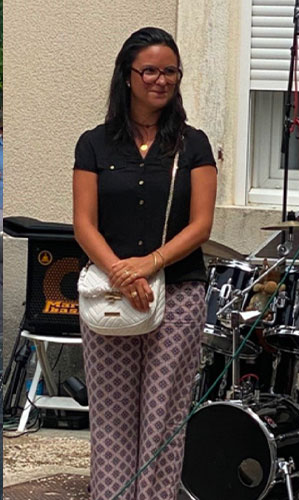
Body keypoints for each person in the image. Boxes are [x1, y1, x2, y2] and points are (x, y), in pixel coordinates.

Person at [72, 27, 217, 500]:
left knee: (164, 420)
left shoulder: (193, 144)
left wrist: (148, 265)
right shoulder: (93, 144)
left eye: (170, 71)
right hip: (110, 293)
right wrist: (121, 271)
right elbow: (83, 225)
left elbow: (200, 226)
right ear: (128, 76)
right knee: (111, 418)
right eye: (150, 70)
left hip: (177, 292)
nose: (161, 80)